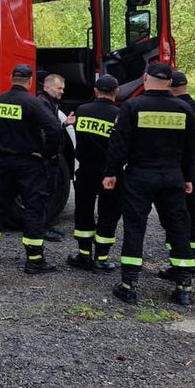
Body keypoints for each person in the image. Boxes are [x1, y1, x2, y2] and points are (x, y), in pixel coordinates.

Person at [103, 63, 195, 306]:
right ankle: (184, 285)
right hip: (172, 177)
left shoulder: (132, 106)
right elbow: (191, 149)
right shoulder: (183, 109)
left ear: (145, 78)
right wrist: (188, 177)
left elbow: (119, 143)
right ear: (168, 83)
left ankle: (129, 285)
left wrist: (112, 172)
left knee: (135, 227)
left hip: (139, 176)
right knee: (178, 227)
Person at [0, 64, 63, 274]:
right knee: (34, 208)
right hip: (29, 164)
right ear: (31, 81)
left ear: (11, 78)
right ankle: (34, 260)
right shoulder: (32, 103)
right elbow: (54, 130)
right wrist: (46, 153)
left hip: (4, 162)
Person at [157, 71, 195, 281]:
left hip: (180, 173)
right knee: (193, 212)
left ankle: (181, 263)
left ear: (169, 85)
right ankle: (194, 257)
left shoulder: (177, 111)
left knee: (175, 218)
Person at [67, 74, 121, 273]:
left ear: (96, 91)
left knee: (83, 211)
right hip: (109, 172)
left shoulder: (82, 110)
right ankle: (102, 258)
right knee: (108, 213)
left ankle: (83, 254)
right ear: (116, 92)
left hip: (85, 170)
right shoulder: (119, 114)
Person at [36, 73, 75, 242]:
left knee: (47, 195)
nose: (62, 92)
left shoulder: (49, 103)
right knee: (42, 195)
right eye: (59, 88)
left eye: (63, 89)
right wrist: (46, 154)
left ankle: (45, 226)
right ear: (47, 87)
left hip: (48, 158)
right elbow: (44, 132)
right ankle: (41, 229)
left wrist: (65, 124)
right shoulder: (42, 104)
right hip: (44, 159)